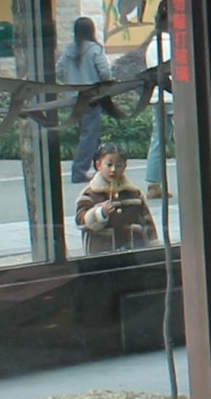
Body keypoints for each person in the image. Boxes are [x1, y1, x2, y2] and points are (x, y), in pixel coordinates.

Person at [56, 16, 110, 183]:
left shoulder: (69, 50)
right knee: (89, 134)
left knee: (90, 132)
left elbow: (59, 71)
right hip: (92, 97)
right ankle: (79, 171)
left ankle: (99, 165)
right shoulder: (95, 49)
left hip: (73, 99)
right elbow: (105, 73)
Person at [73, 147, 157, 252]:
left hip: (134, 251)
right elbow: (80, 221)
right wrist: (99, 214)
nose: (113, 169)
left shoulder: (134, 193)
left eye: (118, 166)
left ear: (124, 167)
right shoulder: (90, 194)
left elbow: (147, 221)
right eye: (109, 165)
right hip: (102, 253)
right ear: (98, 165)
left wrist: (153, 245)